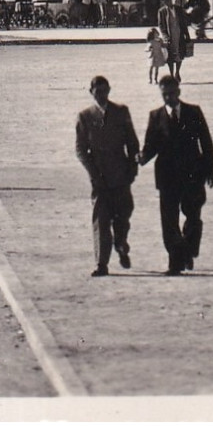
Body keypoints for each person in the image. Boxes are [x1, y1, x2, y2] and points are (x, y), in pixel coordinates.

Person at [139, 74, 213, 275]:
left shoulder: (194, 112)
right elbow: (151, 145)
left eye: (172, 93)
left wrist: (211, 170)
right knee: (169, 221)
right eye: (165, 94)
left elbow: (206, 142)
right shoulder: (155, 116)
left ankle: (188, 249)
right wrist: (142, 157)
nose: (169, 98)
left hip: (193, 174)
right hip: (167, 177)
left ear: (179, 92)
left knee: (193, 217)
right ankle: (175, 262)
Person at [75, 75, 140, 277]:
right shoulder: (84, 116)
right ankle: (101, 264)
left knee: (123, 217)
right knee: (100, 221)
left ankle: (120, 243)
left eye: (105, 91)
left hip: (121, 176)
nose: (102, 95)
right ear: (91, 92)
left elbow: (132, 143)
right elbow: (80, 149)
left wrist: (132, 169)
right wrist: (93, 173)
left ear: (110, 90)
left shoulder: (121, 112)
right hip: (99, 178)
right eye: (97, 92)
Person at [156, 0, 185, 80]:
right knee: (170, 56)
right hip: (169, 36)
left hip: (179, 35)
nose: (166, 3)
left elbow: (183, 23)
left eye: (167, 1)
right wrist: (165, 36)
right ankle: (171, 74)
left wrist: (186, 35)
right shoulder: (162, 11)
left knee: (180, 54)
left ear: (170, 0)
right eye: (164, 2)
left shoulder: (179, 9)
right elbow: (161, 25)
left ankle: (177, 72)